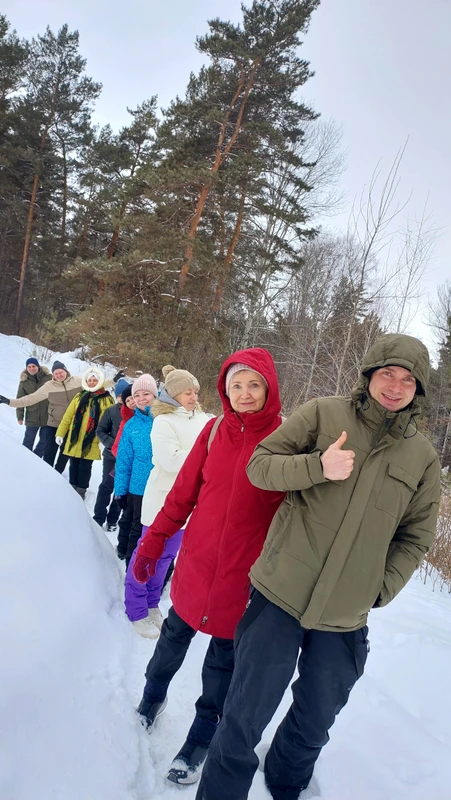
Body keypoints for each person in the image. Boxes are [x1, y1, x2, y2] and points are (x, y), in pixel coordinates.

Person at [195, 333, 442, 800]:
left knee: (315, 719)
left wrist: (380, 588)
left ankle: (286, 782)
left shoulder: (422, 459)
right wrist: (317, 467)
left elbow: (416, 535)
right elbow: (260, 466)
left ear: (418, 390)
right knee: (245, 714)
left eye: (408, 380)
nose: (395, 385)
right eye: (387, 372)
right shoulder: (324, 413)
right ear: (369, 374)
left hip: (346, 615)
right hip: (279, 596)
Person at [132, 348, 285, 786]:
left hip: (246, 576)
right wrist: (153, 541)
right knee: (171, 642)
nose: (245, 393)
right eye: (236, 385)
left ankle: (200, 739)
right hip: (197, 563)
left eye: (254, 384)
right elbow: (182, 494)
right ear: (224, 390)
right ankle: (151, 698)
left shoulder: (286, 438)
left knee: (223, 663)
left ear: (270, 387)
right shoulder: (214, 430)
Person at [125, 367, 209, 639]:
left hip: (188, 505)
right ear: (174, 394)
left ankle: (151, 604)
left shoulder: (202, 419)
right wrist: (207, 453)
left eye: (195, 391)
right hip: (161, 503)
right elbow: (172, 460)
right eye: (188, 392)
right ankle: (135, 609)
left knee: (165, 560)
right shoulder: (163, 421)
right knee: (146, 556)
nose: (193, 397)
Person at [1, 360, 82, 472]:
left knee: (64, 451)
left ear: (66, 371)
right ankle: (41, 470)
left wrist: (113, 381)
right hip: (49, 421)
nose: (59, 375)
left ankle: (57, 474)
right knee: (46, 449)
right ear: (53, 375)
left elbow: (94, 384)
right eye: (56, 373)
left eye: (61, 372)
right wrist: (10, 402)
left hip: (69, 423)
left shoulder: (76, 381)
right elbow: (29, 398)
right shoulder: (46, 385)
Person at [114, 374, 158, 567]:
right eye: (137, 394)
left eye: (146, 393)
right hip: (138, 489)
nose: (141, 398)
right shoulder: (131, 425)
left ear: (155, 395)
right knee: (136, 528)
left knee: (159, 530)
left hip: (161, 487)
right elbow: (123, 461)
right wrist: (121, 491)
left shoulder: (165, 420)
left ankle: (162, 569)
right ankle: (132, 567)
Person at [55, 367, 114, 498]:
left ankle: (81, 492)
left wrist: (104, 441)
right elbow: (68, 416)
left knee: (85, 467)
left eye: (95, 380)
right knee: (73, 464)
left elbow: (109, 423)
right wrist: (60, 433)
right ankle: (72, 489)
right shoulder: (79, 396)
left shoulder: (106, 400)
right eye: (90, 380)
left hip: (92, 440)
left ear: (100, 382)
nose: (92, 382)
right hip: (75, 439)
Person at [92, 378, 130, 530]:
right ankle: (98, 518)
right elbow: (100, 430)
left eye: (125, 396)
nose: (122, 399)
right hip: (110, 456)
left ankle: (113, 520)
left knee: (120, 489)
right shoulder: (111, 411)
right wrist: (112, 444)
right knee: (106, 486)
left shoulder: (134, 413)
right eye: (119, 396)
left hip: (126, 459)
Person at [15, 358, 51, 457]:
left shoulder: (48, 378)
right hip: (32, 416)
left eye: (33, 366)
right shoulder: (24, 382)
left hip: (47, 415)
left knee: (44, 441)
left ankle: (36, 459)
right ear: (26, 368)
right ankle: (25, 459)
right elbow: (20, 399)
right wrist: (20, 416)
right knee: (28, 441)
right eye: (29, 367)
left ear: (38, 366)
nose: (31, 368)